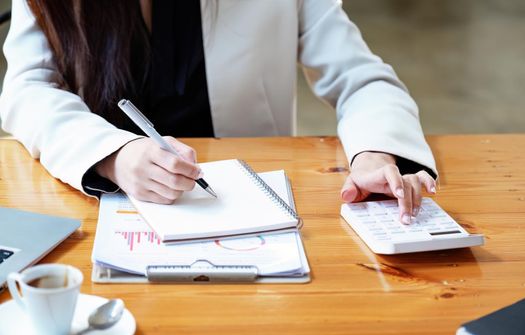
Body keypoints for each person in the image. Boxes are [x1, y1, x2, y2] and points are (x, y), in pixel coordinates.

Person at [0, 0, 437, 225]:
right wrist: (113, 155)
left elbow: (360, 77)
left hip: (250, 211)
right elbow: (26, 87)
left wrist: (375, 156)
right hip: (104, 208)